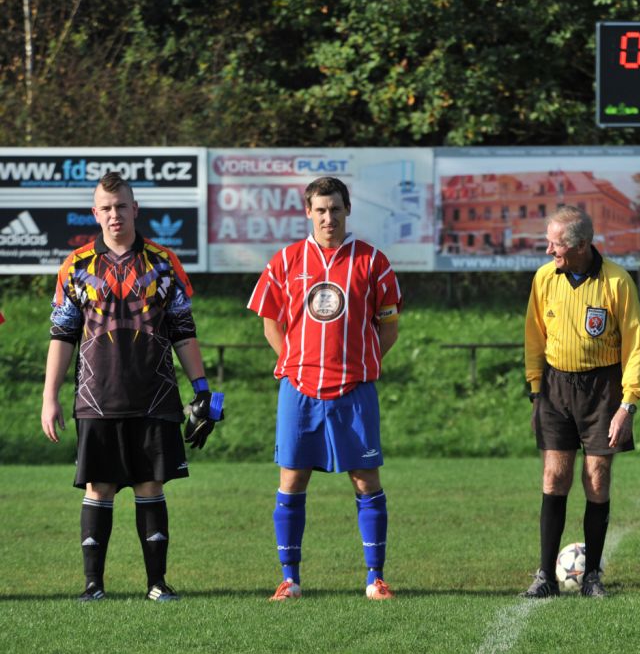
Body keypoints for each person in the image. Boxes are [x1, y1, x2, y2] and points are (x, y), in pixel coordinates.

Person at [41, 172, 219, 602]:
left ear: (135, 209)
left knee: (150, 485)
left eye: (121, 206)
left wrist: (202, 389)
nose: (114, 214)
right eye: (106, 207)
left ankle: (157, 584)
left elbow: (183, 330)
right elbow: (62, 335)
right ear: (94, 213)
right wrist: (50, 397)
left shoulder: (163, 262)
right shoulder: (76, 265)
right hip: (95, 397)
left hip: (154, 395)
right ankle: (93, 586)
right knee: (98, 488)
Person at [248, 176, 401, 602]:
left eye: (335, 209)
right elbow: (271, 322)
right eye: (320, 210)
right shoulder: (286, 260)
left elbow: (389, 326)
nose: (328, 217)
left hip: (354, 390)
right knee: (292, 478)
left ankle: (375, 578)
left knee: (365, 480)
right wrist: (294, 363)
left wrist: (363, 361)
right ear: (308, 212)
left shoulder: (373, 262)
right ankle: (290, 580)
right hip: (299, 390)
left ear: (347, 210)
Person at [521, 205, 640, 598]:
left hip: (602, 390)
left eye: (555, 244)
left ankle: (591, 576)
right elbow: (534, 336)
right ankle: (545, 576)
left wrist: (628, 404)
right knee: (553, 477)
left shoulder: (617, 282)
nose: (548, 251)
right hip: (555, 387)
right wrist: (536, 391)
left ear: (580, 246)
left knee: (597, 478)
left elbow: (635, 346)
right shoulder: (545, 278)